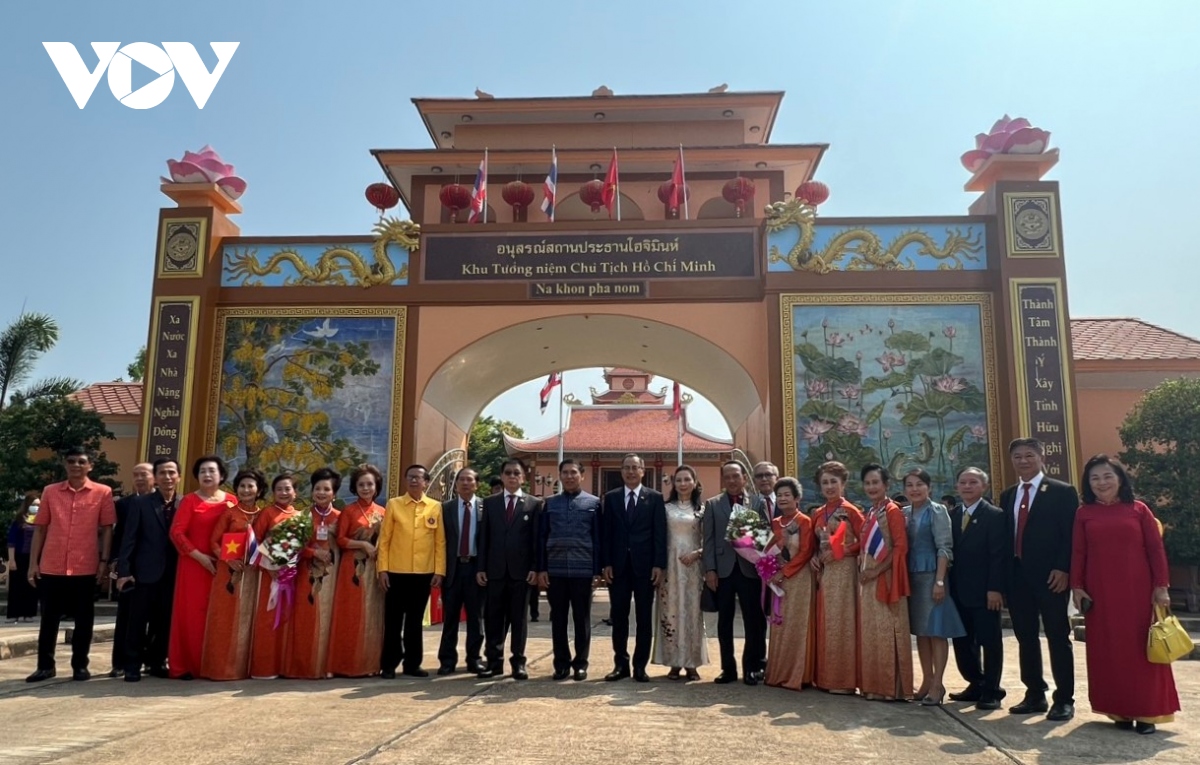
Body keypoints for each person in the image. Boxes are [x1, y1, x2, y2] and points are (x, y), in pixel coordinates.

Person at [1071, 455, 1179, 734]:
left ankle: (1147, 712)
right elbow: (1079, 552)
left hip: (1137, 591)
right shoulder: (1084, 513)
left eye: (1107, 476)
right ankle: (1119, 709)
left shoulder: (1138, 509)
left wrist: (1162, 586)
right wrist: (1077, 586)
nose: (1101, 483)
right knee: (1108, 650)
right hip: (1100, 592)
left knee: (1141, 650)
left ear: (1120, 479)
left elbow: (1155, 550)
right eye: (1095, 478)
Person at [1001, 437, 1079, 721]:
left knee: (1058, 636)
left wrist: (1063, 568)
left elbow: (1071, 535)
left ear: (1041, 456)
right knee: (1025, 637)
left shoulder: (1062, 491)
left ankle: (1064, 699)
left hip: (1051, 578)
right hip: (1018, 577)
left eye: (1029, 455)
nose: (1023, 461)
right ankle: (1034, 693)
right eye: (1018, 456)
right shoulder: (1008, 494)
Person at [26, 447, 116, 683]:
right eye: (71, 461)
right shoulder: (50, 492)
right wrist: (33, 564)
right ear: (65, 465)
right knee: (48, 619)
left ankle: (80, 666)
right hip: (52, 565)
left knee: (84, 621)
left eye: (81, 461)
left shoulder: (102, 492)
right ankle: (45, 666)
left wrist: (104, 563)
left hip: (85, 566)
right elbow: (41, 528)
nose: (76, 465)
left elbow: (107, 529)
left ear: (90, 466)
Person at [601, 453, 667, 683]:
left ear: (642, 470)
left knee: (643, 618)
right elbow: (606, 534)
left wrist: (659, 564)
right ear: (621, 471)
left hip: (645, 567)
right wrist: (606, 563)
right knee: (619, 617)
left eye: (634, 467)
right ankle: (621, 664)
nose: (630, 471)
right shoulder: (611, 498)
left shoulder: (655, 498)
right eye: (626, 467)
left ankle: (640, 666)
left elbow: (660, 534)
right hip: (617, 567)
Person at [702, 460, 768, 685]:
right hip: (723, 571)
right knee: (724, 622)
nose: (731, 480)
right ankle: (727, 669)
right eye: (727, 477)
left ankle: (752, 667)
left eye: (735, 476)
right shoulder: (712, 504)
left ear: (744, 478)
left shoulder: (757, 502)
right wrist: (710, 569)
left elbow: (763, 536)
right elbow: (708, 540)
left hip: (750, 570)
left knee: (753, 620)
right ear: (722, 480)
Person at [949, 467, 1010, 710]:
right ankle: (976, 682)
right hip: (958, 591)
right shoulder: (951, 515)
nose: (967, 486)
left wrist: (995, 588)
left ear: (983, 487)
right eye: (963, 482)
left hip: (986, 593)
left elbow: (999, 556)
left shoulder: (995, 516)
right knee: (963, 643)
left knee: (989, 641)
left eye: (973, 482)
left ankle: (992, 690)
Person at [115, 458, 181, 681]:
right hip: (144, 572)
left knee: (164, 621)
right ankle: (132, 664)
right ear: (156, 477)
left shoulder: (184, 504)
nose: (167, 477)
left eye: (171, 473)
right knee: (137, 621)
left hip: (173, 574)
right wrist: (124, 571)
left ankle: (156, 662)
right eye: (162, 473)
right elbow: (129, 539)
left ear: (178, 477)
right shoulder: (141, 503)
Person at [903, 468, 965, 705]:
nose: (915, 489)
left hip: (932, 577)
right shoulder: (905, 513)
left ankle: (938, 684)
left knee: (936, 631)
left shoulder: (937, 511)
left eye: (919, 484)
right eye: (910, 485)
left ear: (928, 487)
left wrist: (940, 581)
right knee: (921, 631)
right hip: (912, 579)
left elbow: (944, 548)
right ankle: (926, 680)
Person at [378, 464, 445, 679]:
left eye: (418, 477)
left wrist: (439, 571)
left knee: (415, 622)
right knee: (393, 621)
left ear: (426, 482)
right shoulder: (394, 505)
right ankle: (389, 664)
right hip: (396, 572)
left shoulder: (435, 507)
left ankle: (412, 664)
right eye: (410, 477)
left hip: (423, 573)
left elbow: (440, 542)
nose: (414, 481)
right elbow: (385, 540)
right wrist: (383, 569)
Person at [477, 459, 542, 680]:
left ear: (523, 477)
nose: (512, 476)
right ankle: (494, 662)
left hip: (521, 572)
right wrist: (481, 567)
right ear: (502, 476)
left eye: (517, 473)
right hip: (495, 571)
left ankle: (518, 663)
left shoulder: (533, 504)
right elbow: (483, 538)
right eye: (508, 473)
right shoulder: (491, 503)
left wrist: (535, 567)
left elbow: (535, 540)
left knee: (519, 619)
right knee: (494, 618)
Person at [538, 459, 602, 681]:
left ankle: (581, 663)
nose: (569, 476)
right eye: (565, 473)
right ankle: (561, 664)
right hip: (555, 571)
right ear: (560, 476)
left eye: (573, 472)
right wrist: (542, 568)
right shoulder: (550, 503)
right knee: (558, 619)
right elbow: (542, 536)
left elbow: (598, 538)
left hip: (583, 571)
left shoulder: (594, 503)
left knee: (581, 619)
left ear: (582, 475)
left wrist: (597, 571)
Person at [167, 455, 230, 679]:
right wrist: (199, 557)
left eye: (212, 470)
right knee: (192, 615)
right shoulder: (190, 501)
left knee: (220, 615)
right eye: (202, 471)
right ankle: (187, 665)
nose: (207, 475)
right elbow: (176, 533)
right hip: (193, 565)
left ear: (221, 475)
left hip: (224, 566)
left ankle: (217, 664)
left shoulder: (231, 501)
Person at [200, 467, 264, 681]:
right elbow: (214, 542)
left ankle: (245, 668)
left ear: (258, 490)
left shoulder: (263, 515)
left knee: (248, 620)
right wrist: (228, 560)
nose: (246, 490)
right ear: (236, 489)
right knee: (226, 619)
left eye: (250, 486)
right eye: (242, 486)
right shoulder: (229, 513)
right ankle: (220, 669)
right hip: (229, 573)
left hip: (253, 575)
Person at [857, 464, 913, 701]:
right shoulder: (871, 511)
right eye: (868, 483)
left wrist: (877, 570)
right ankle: (874, 686)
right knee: (873, 634)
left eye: (875, 483)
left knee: (888, 632)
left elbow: (900, 547)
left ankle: (892, 688)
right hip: (868, 580)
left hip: (887, 580)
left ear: (886, 485)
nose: (871, 487)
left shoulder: (892, 511)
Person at [810, 460, 864, 694]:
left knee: (843, 623)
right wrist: (814, 556)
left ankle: (844, 681)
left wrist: (843, 551)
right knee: (826, 622)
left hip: (845, 572)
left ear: (843, 484)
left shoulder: (851, 511)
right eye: (825, 483)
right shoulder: (819, 513)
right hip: (825, 573)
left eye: (834, 482)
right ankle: (825, 678)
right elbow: (813, 543)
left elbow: (865, 541)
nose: (829, 486)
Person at [329, 464, 387, 678]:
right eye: (361, 484)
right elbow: (341, 539)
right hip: (351, 568)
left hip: (374, 568)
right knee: (351, 614)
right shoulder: (349, 511)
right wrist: (362, 545)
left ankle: (370, 664)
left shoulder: (383, 512)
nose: (365, 488)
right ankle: (346, 665)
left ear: (376, 486)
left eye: (369, 484)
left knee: (372, 615)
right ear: (355, 487)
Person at [283, 468, 342, 679]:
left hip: (332, 577)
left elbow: (344, 545)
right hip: (306, 575)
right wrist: (313, 552)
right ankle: (304, 666)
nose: (322, 492)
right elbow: (290, 547)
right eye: (318, 488)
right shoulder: (303, 515)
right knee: (305, 619)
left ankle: (327, 665)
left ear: (334, 493)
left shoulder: (340, 517)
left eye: (327, 489)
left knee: (328, 619)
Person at [653, 465, 709, 681]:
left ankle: (692, 663)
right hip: (670, 569)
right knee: (671, 614)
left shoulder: (702, 510)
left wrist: (697, 553)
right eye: (679, 480)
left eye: (687, 480)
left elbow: (709, 539)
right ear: (673, 484)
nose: (683, 484)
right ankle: (674, 662)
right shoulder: (665, 509)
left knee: (693, 614)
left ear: (695, 483)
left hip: (693, 568)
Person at [763, 477, 815, 691]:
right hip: (779, 581)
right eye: (780, 495)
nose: (783, 498)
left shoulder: (804, 521)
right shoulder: (775, 523)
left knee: (797, 624)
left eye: (787, 495)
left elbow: (805, 552)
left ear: (797, 498)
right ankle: (778, 673)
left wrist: (785, 572)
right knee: (780, 624)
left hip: (800, 578)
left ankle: (798, 675)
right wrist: (768, 567)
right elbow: (767, 549)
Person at [436, 467, 487, 676]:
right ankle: (447, 661)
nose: (465, 483)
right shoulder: (444, 508)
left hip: (476, 569)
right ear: (455, 485)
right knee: (451, 618)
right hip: (453, 569)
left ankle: (474, 659)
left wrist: (484, 569)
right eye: (461, 480)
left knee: (476, 618)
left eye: (469, 480)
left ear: (477, 484)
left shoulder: (486, 507)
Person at [249, 474, 299, 679]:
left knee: (288, 620)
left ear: (295, 492)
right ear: (273, 492)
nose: (284, 493)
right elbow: (254, 542)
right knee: (268, 621)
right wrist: (269, 568)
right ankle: (265, 667)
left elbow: (302, 546)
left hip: (291, 576)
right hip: (268, 575)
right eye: (279, 489)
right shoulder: (267, 514)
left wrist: (291, 567)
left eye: (288, 489)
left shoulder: (299, 516)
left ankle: (285, 666)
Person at [108, 463, 153, 676]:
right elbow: (120, 537)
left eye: (144, 474)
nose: (140, 478)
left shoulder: (164, 502)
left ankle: (151, 660)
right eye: (136, 475)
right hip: (129, 569)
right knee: (126, 616)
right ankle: (120, 662)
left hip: (154, 569)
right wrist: (116, 563)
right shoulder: (124, 504)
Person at [5, 493, 40, 623]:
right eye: (34, 505)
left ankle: (28, 614)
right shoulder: (19, 520)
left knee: (31, 585)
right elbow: (11, 541)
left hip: (33, 557)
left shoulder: (39, 520)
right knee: (16, 586)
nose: (36, 507)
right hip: (19, 556)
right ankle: (14, 614)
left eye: (38, 505)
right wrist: (11, 560)